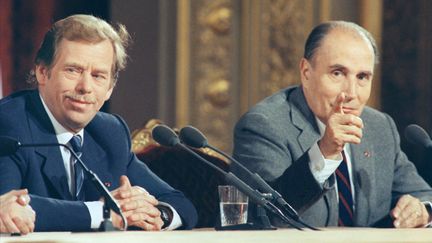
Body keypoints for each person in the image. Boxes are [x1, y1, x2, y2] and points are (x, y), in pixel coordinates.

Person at [0, 14, 197, 232]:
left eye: (98, 76)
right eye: (73, 70)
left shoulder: (108, 132)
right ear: (42, 72)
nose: (85, 87)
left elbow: (181, 204)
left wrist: (157, 214)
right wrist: (106, 213)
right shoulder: (9, 123)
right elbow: (7, 208)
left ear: (110, 88)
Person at [232, 21, 432, 228]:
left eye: (362, 77)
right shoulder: (264, 126)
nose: (352, 93)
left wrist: (422, 210)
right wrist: (325, 152)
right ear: (306, 72)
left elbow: (423, 194)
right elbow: (264, 216)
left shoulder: (379, 126)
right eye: (338, 73)